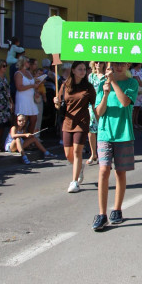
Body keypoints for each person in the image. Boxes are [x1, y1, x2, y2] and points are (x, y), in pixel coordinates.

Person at [92, 62, 138, 231]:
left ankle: (117, 209)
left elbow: (125, 102)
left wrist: (113, 83)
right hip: (105, 134)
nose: (119, 67)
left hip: (123, 134)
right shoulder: (102, 84)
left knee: (120, 172)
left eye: (122, 64)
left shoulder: (132, 83)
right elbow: (99, 113)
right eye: (115, 64)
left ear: (127, 65)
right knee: (103, 170)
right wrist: (104, 94)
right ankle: (102, 213)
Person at [54, 61, 96, 193]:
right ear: (73, 70)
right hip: (68, 122)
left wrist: (100, 121)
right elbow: (59, 106)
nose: (83, 71)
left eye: (84, 69)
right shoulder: (65, 85)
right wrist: (55, 102)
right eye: (80, 69)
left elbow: (94, 106)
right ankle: (80, 168)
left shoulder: (88, 87)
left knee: (77, 152)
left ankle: (74, 182)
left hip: (82, 122)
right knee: (68, 154)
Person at [87, 61, 106, 163]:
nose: (98, 64)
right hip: (92, 104)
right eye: (96, 62)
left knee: (101, 128)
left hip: (102, 104)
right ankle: (93, 153)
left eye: (101, 62)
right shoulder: (91, 76)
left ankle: (101, 153)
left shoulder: (106, 76)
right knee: (91, 129)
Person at [14, 56, 40, 133]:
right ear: (23, 62)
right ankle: (22, 137)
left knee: (34, 118)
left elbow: (33, 84)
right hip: (23, 99)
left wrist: (36, 91)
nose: (29, 63)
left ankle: (29, 137)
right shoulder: (18, 73)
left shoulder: (28, 72)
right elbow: (19, 87)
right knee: (24, 119)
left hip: (31, 99)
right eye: (28, 61)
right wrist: (32, 86)